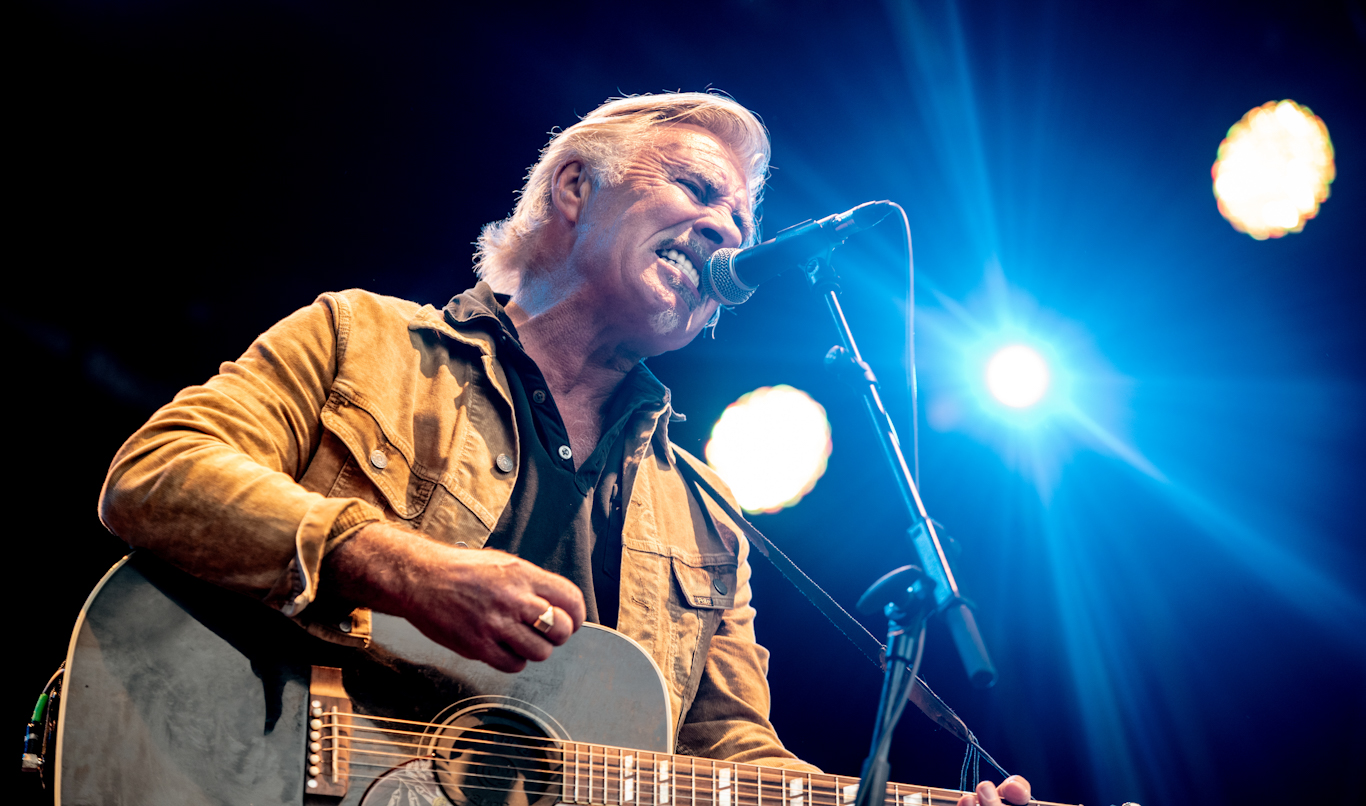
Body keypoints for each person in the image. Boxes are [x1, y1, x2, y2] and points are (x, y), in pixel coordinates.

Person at [98, 91, 1029, 806]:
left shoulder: (709, 517)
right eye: (697, 190)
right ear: (576, 188)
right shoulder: (362, 339)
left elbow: (732, 761)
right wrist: (399, 568)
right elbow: (155, 474)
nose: (728, 231)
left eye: (742, 221)